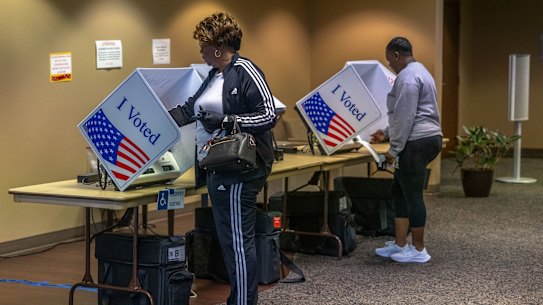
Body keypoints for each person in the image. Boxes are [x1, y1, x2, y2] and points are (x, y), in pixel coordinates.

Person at [168, 12, 276, 305]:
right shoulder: (214, 75)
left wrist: (228, 120)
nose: (200, 52)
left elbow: (268, 115)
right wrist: (160, 120)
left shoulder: (245, 70)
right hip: (217, 167)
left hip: (241, 167)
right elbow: (191, 110)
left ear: (217, 47)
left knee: (239, 242)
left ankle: (243, 301)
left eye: (202, 46)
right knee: (230, 240)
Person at [371, 37, 442, 263]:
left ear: (396, 55)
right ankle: (401, 244)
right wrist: (386, 131)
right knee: (399, 191)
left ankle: (419, 250)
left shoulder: (408, 78)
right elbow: (407, 112)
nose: (389, 65)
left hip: (417, 141)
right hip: (425, 138)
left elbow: (406, 116)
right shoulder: (420, 71)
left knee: (412, 195)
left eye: (389, 60)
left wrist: (394, 148)